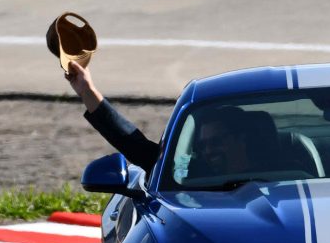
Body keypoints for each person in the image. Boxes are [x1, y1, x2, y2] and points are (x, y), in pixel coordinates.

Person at [65, 61, 255, 175]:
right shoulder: (186, 177)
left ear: (242, 138)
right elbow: (132, 143)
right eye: (203, 145)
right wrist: (86, 90)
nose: (209, 151)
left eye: (216, 142)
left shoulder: (281, 170)